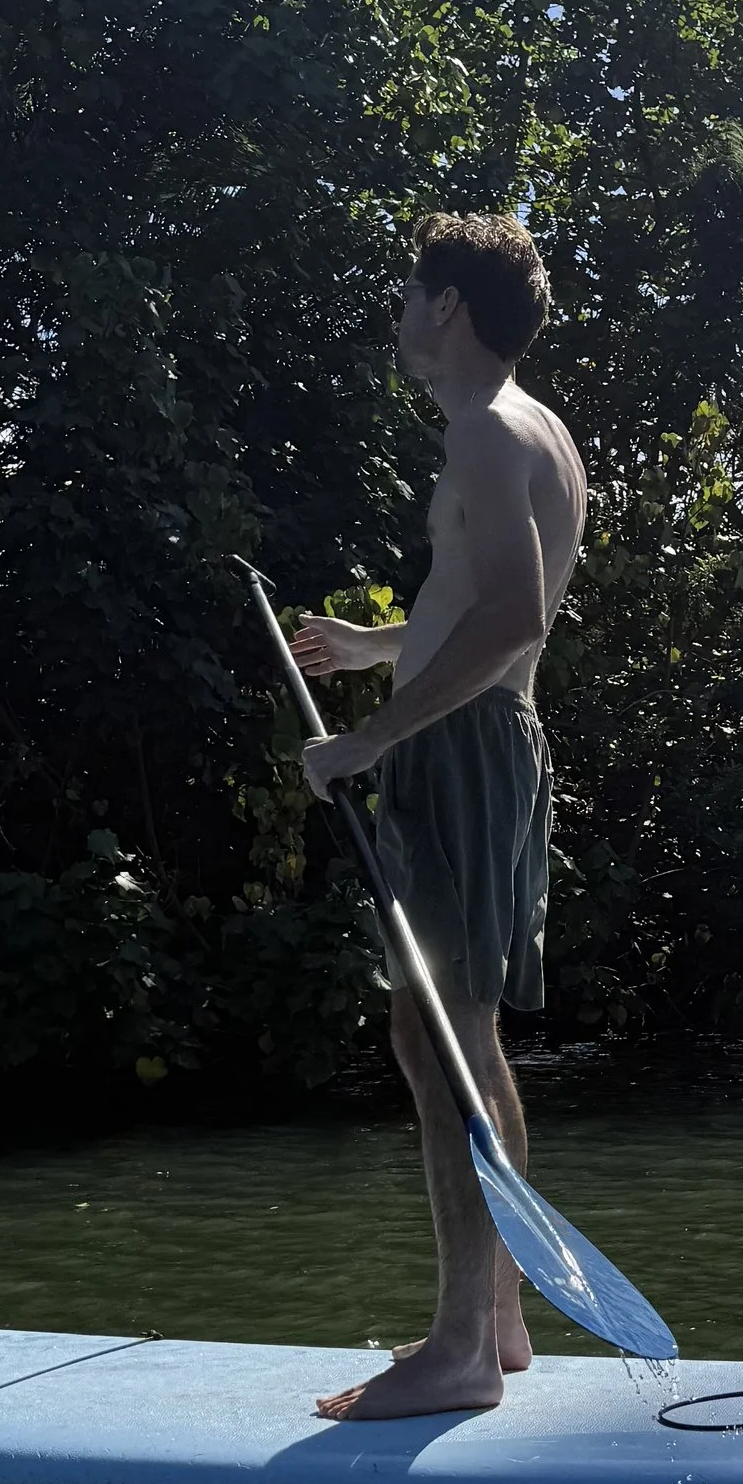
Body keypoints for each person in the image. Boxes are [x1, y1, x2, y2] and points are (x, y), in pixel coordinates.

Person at [291, 211, 587, 1421]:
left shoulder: (479, 431)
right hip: (486, 745)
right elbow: (479, 603)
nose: (403, 315)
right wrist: (379, 647)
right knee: (458, 1037)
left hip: (458, 755)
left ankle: (460, 1345)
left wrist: (373, 734)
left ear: (449, 306)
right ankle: (501, 1321)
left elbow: (515, 617)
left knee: (443, 1044)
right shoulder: (537, 429)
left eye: (415, 294)